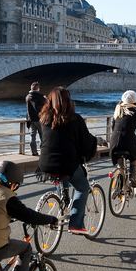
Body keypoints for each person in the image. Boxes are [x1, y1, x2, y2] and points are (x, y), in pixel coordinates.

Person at [38, 86, 98, 235]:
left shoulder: (43, 118)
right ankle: (76, 224)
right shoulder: (75, 118)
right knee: (82, 187)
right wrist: (95, 143)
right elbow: (85, 141)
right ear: (68, 101)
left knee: (61, 177)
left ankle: (63, 202)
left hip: (45, 162)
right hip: (66, 163)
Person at [25, 82, 46, 156]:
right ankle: (43, 152)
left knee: (32, 136)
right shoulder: (40, 96)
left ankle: (33, 152)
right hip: (39, 119)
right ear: (38, 88)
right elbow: (46, 106)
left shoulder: (27, 97)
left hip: (30, 120)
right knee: (42, 136)